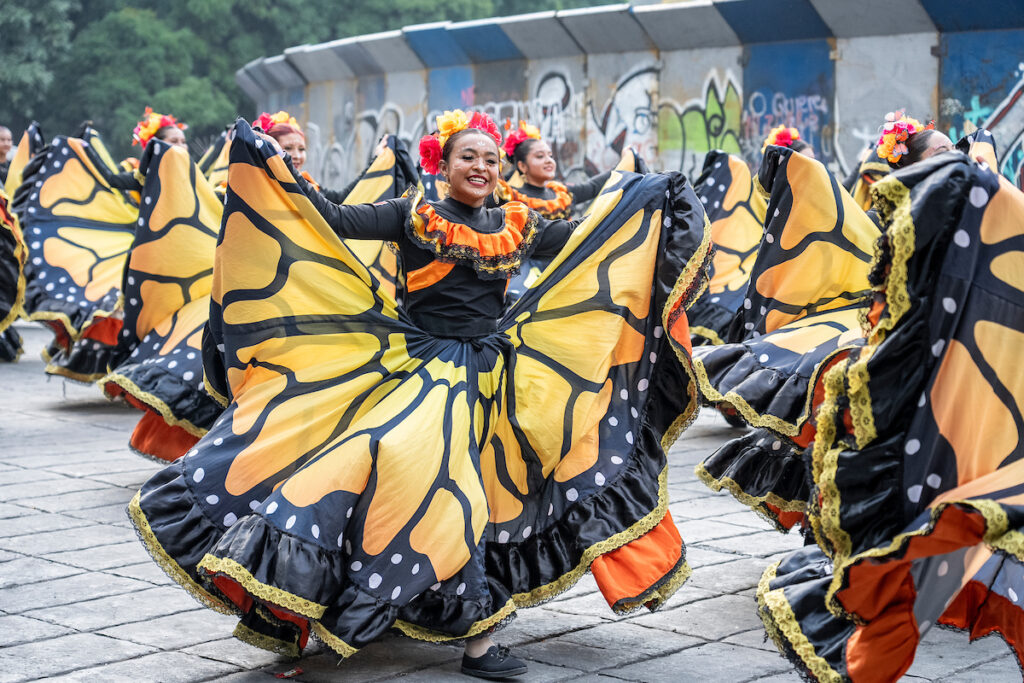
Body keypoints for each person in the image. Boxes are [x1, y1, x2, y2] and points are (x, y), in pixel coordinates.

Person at [129, 111, 706, 678]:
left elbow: (587, 242)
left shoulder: (517, 222)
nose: (480, 167)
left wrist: (646, 205)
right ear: (443, 164)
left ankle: (464, 630)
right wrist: (275, 169)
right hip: (426, 376)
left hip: (497, 374)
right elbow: (328, 218)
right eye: (467, 158)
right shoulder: (413, 214)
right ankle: (469, 638)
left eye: (489, 159)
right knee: (431, 494)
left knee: (483, 498)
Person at [255, 110, 388, 204]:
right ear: (270, 150)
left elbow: (340, 199)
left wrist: (375, 161)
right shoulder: (260, 189)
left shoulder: (309, 185)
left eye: (302, 149)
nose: (296, 156)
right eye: (288, 149)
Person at [495, 120, 611, 219]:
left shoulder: (561, 192)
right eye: (540, 156)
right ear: (522, 166)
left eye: (550, 156)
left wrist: (627, 160)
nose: (549, 160)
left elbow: (593, 187)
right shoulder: (511, 198)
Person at [103, 109, 188, 192]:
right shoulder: (142, 177)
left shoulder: (190, 176)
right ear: (155, 145)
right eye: (174, 141)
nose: (181, 146)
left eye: (183, 142)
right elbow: (108, 179)